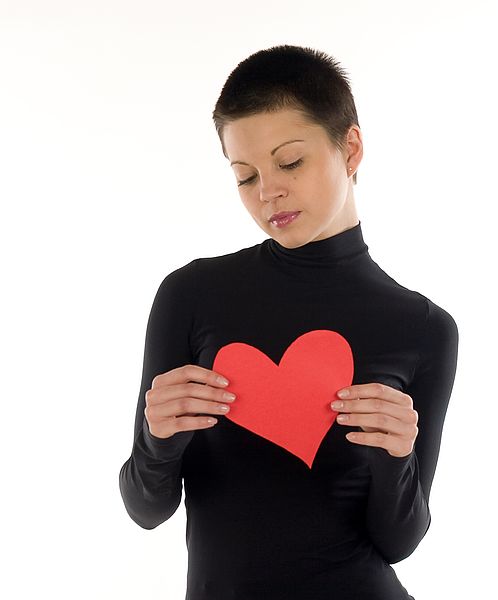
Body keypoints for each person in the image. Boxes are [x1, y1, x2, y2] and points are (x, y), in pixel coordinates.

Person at [119, 44, 459, 600]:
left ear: (350, 146)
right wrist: (158, 441)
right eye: (244, 175)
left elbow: (398, 540)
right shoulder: (192, 294)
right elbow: (146, 507)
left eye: (290, 161)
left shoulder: (423, 327)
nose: (267, 190)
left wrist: (396, 458)